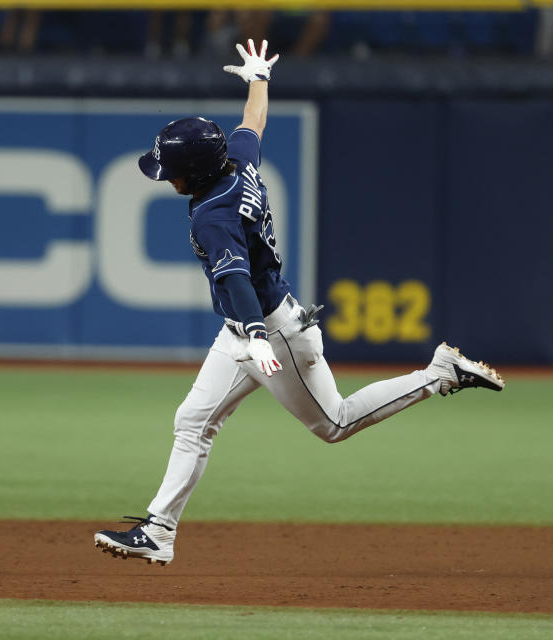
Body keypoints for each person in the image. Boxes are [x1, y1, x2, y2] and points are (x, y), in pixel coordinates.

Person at [94, 39, 505, 566]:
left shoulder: (211, 214)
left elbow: (237, 279)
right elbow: (253, 123)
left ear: (194, 172)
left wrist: (259, 339)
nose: (166, 176)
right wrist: (258, 77)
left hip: (270, 329)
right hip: (248, 328)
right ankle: (159, 531)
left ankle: (438, 374)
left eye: (171, 169)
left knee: (334, 424)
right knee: (193, 419)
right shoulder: (235, 162)